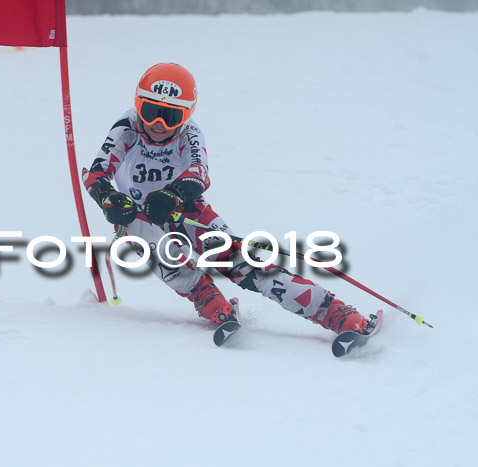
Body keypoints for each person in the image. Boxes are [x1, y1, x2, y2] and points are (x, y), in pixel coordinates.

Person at [82, 62, 374, 335]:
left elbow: (199, 174)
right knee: (160, 253)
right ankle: (209, 300)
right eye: (150, 112)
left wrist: (172, 195)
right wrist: (110, 200)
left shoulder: (190, 133)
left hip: (185, 209)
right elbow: (95, 174)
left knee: (238, 261)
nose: (158, 123)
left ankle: (333, 312)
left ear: (187, 115)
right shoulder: (127, 128)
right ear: (138, 105)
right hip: (139, 214)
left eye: (171, 116)